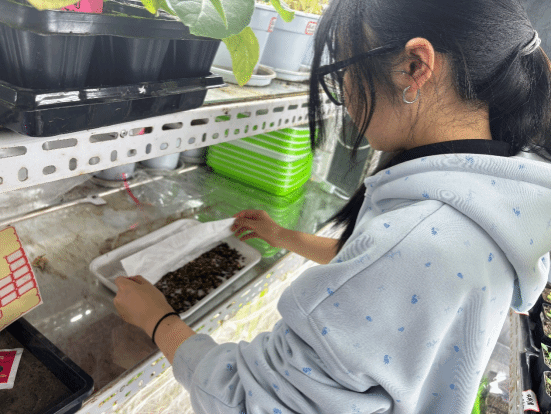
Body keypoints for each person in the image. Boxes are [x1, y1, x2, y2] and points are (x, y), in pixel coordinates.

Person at [113, 0, 551, 412]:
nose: (343, 87)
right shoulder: (496, 190)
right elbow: (372, 262)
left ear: (414, 67)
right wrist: (282, 236)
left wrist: (158, 320)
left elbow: (247, 400)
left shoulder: (415, 242)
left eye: (344, 67)